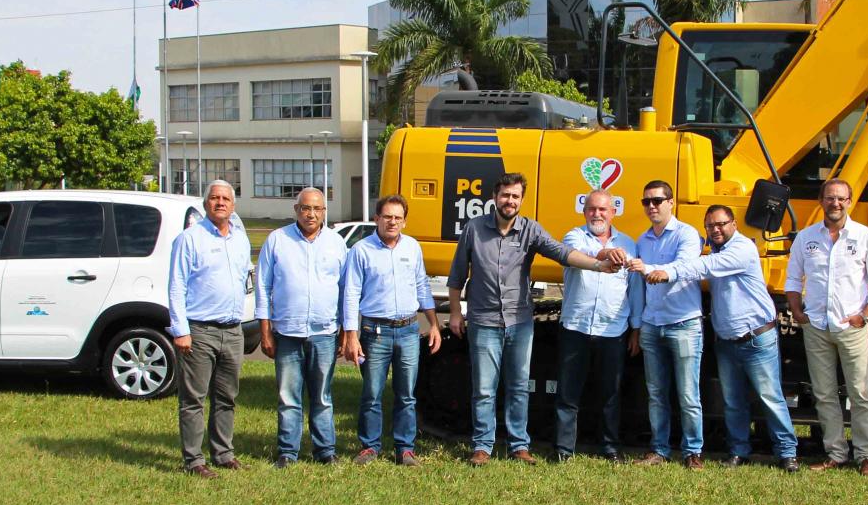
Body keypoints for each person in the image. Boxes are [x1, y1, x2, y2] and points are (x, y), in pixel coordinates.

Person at [447, 172, 623, 466]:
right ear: (495, 197)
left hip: (520, 321)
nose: (510, 201)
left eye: (515, 196)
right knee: (484, 388)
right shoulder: (474, 229)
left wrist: (598, 266)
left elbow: (563, 253)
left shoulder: (530, 230)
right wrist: (455, 312)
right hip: (484, 320)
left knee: (518, 386)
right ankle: (482, 446)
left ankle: (519, 445)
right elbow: (456, 275)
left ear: (521, 200)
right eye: (505, 195)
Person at [640, 205, 799, 472]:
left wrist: (669, 271)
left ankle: (787, 453)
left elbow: (706, 266)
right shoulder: (714, 248)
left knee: (770, 397)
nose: (715, 230)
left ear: (734, 224)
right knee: (732, 401)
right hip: (726, 339)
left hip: (756, 337)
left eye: (721, 224)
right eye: (710, 226)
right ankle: (739, 451)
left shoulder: (742, 249)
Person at [785, 178, 868, 476]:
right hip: (817, 326)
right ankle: (835, 453)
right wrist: (796, 310)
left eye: (841, 199)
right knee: (824, 393)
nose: (836, 203)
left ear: (850, 201)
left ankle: (867, 455)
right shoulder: (806, 238)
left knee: (860, 392)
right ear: (821, 200)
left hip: (852, 327)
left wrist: (865, 314)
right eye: (830, 198)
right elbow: (793, 279)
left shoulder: (864, 236)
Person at [339, 195, 443, 467]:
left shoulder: (412, 248)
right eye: (387, 216)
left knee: (406, 394)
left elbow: (422, 286)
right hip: (375, 332)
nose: (392, 222)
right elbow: (351, 294)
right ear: (377, 219)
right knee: (372, 393)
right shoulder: (361, 250)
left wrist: (433, 324)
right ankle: (369, 447)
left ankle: (404, 449)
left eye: (398, 217)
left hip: (408, 330)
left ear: (405, 221)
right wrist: (351, 335)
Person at [257, 187, 348, 468]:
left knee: (322, 396)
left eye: (317, 209)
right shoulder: (277, 240)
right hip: (287, 332)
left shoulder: (337, 244)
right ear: (296, 210)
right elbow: (263, 287)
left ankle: (325, 451)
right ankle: (288, 451)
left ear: (324, 212)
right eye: (306, 208)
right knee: (288, 396)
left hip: (324, 333)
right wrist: (265, 331)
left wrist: (346, 331)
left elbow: (346, 290)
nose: (311, 214)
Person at [167, 180, 252, 478]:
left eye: (225, 198)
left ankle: (223, 453)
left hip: (232, 330)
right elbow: (176, 287)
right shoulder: (189, 239)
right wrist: (180, 329)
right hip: (199, 330)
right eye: (214, 198)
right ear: (206, 204)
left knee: (227, 396)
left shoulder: (240, 239)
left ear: (233, 205)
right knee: (193, 399)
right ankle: (193, 460)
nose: (220, 203)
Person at [554, 189, 643, 462]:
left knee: (611, 394)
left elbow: (635, 290)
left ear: (613, 212)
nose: (597, 214)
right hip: (575, 327)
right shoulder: (574, 236)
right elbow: (583, 253)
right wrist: (607, 252)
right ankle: (563, 450)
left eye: (603, 209)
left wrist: (636, 329)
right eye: (592, 209)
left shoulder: (630, 244)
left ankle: (610, 448)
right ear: (584, 211)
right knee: (568, 394)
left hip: (613, 330)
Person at [631, 179, 706, 468]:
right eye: (646, 201)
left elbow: (685, 267)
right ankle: (659, 449)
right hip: (652, 323)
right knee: (656, 393)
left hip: (683, 323)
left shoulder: (688, 235)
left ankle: (692, 452)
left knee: (688, 393)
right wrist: (637, 325)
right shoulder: (643, 240)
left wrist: (650, 269)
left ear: (671, 203)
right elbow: (639, 286)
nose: (651, 206)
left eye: (657, 200)